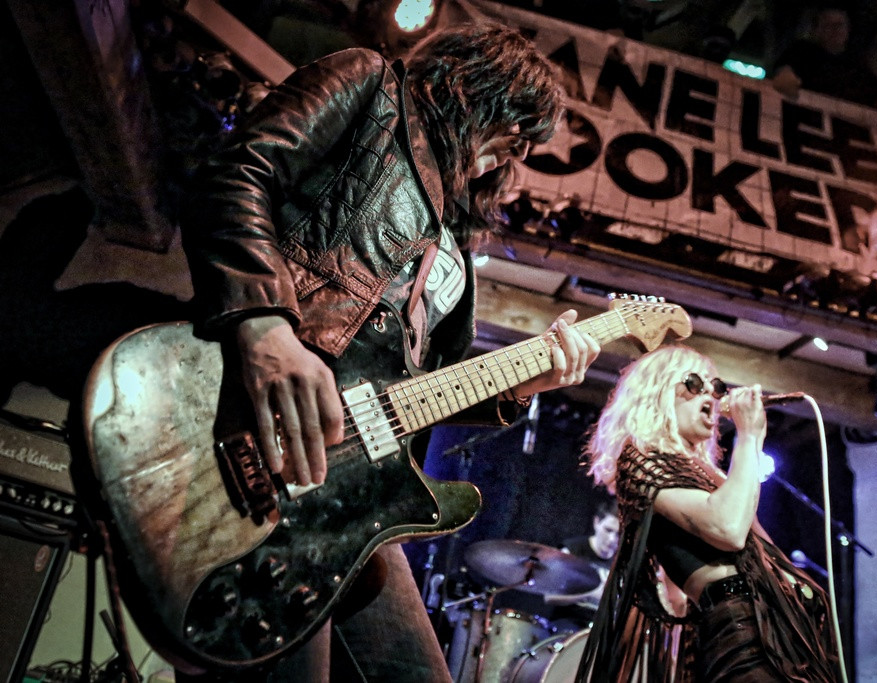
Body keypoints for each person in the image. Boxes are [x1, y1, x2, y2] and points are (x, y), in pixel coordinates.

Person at [181, 21, 601, 683]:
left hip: (359, 487)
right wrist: (265, 326)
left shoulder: (453, 238)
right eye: (516, 126)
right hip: (267, 437)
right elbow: (235, 176)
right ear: (474, 85)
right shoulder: (371, 84)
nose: (515, 152)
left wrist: (525, 382)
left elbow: (425, 387)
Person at [574, 343, 840, 682]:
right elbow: (728, 529)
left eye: (715, 387)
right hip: (741, 630)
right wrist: (749, 438)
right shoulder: (640, 460)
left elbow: (759, 546)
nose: (711, 396)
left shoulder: (707, 475)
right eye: (694, 384)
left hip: (779, 628)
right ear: (658, 391)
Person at [771, 2, 877, 141]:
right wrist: (785, 78)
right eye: (828, 25)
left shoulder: (857, 67)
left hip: (849, 141)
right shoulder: (801, 52)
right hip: (807, 134)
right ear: (816, 30)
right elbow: (783, 72)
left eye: (840, 25)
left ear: (848, 30)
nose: (835, 30)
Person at [544, 498, 620, 631]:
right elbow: (549, 597)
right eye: (608, 530)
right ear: (596, 522)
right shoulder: (573, 550)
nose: (612, 539)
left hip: (602, 629)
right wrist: (590, 594)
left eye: (619, 534)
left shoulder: (623, 563)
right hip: (569, 623)